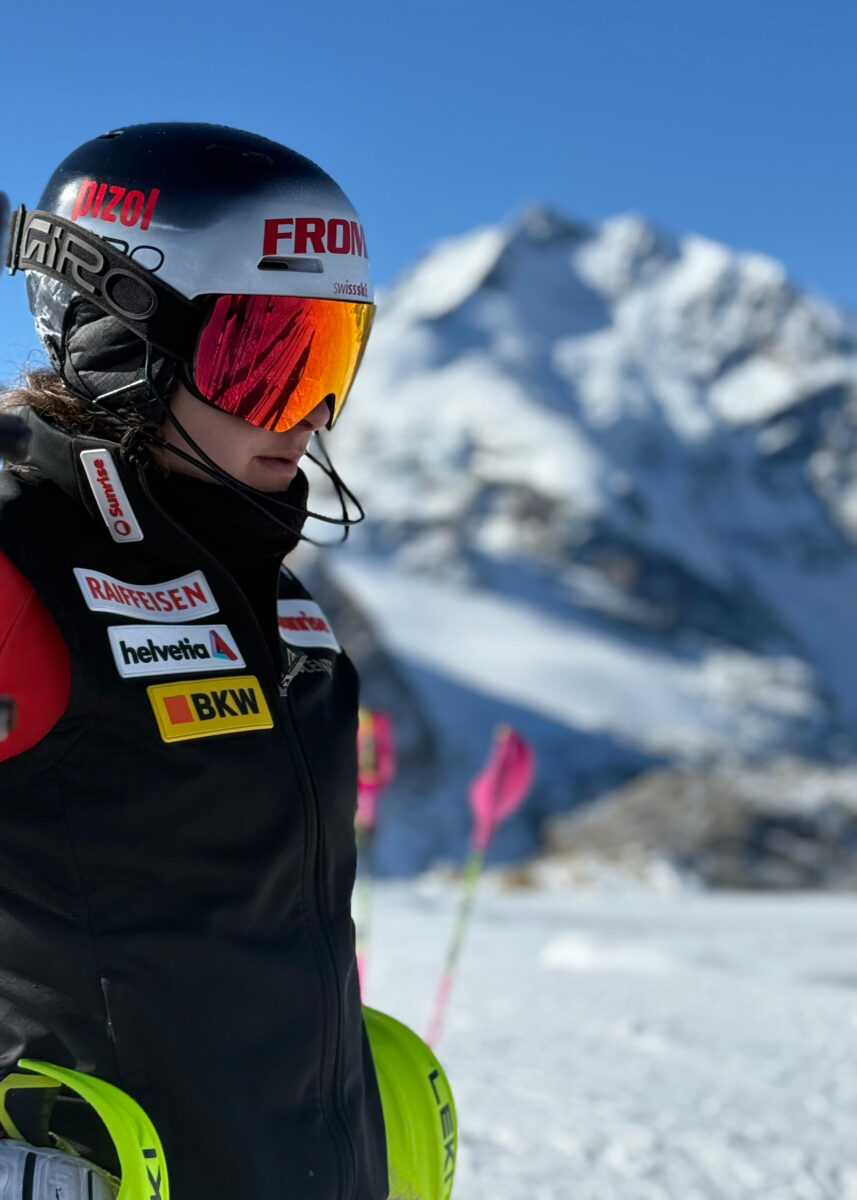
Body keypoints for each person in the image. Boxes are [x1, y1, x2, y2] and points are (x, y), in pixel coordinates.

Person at [0, 121, 392, 1200]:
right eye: (262, 359)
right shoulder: (20, 566)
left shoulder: (276, 600)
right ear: (119, 338)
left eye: (327, 359)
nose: (308, 416)